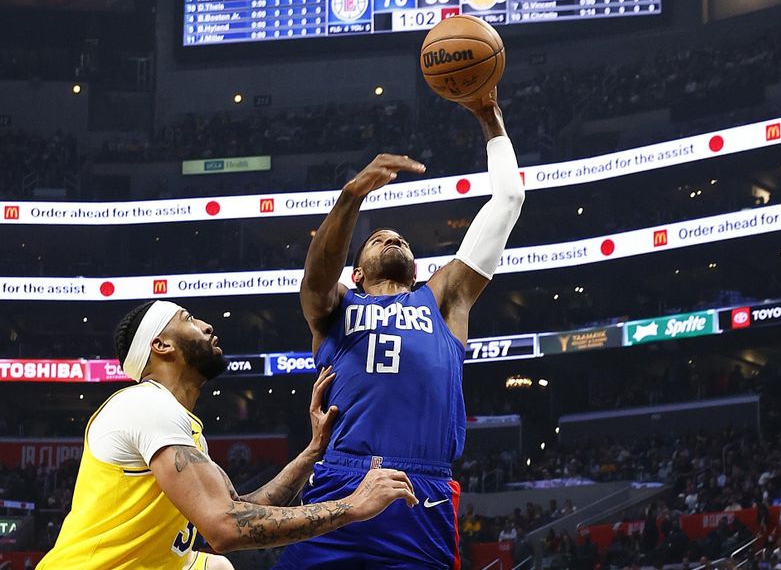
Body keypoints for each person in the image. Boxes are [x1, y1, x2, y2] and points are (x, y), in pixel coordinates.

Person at [276, 88, 525, 569]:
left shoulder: (443, 297)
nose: (391, 235)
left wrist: (491, 120)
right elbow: (316, 276)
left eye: (400, 238)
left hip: (420, 493)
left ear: (415, 271)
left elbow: (510, 197)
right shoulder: (335, 306)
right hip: (339, 486)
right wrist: (351, 196)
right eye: (376, 236)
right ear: (357, 275)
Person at [38, 300, 418, 570]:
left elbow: (240, 507)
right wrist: (353, 506)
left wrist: (312, 452)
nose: (206, 325)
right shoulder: (146, 406)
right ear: (161, 345)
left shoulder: (178, 425)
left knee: (215, 566)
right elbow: (226, 526)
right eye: (188, 318)